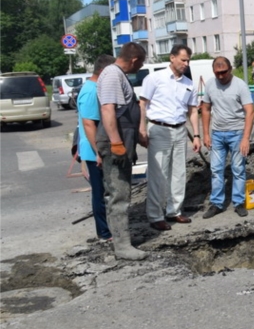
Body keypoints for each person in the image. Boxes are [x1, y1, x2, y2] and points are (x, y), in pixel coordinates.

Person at [139, 44, 201, 231]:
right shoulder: (155, 78)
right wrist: (142, 129)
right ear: (172, 58)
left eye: (188, 61)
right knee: (159, 174)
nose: (186, 63)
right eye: (183, 60)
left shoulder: (188, 84)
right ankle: (156, 215)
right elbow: (142, 104)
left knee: (179, 172)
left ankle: (174, 210)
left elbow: (192, 111)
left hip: (180, 130)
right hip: (159, 129)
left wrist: (196, 135)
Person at [95, 42, 148, 260]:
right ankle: (122, 247)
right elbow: (108, 109)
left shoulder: (117, 75)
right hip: (113, 144)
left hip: (121, 142)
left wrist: (137, 135)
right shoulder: (112, 75)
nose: (141, 66)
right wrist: (116, 142)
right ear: (134, 60)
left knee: (121, 191)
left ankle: (122, 241)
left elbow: (124, 112)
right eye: (142, 62)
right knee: (119, 193)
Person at [201, 57, 254, 219]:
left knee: (238, 169)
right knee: (216, 170)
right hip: (217, 134)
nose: (221, 76)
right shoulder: (210, 84)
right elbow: (205, 108)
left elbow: (250, 112)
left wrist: (245, 138)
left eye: (224, 72)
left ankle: (238, 202)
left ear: (230, 69)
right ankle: (217, 203)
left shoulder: (240, 85)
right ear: (213, 71)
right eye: (217, 73)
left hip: (237, 133)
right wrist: (205, 134)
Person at [78, 54, 116, 242]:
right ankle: (104, 232)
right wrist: (98, 152)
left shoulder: (95, 88)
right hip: (95, 153)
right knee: (100, 192)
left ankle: (108, 227)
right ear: (103, 72)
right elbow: (88, 124)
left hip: (97, 149)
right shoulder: (91, 91)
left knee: (104, 190)